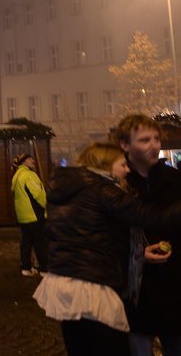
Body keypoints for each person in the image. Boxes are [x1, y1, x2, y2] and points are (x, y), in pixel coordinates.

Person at [33, 142, 179, 355]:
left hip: (66, 285)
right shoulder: (103, 189)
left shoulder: (71, 188)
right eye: (122, 164)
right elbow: (149, 215)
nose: (127, 170)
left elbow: (92, 238)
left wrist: (138, 254)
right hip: (94, 288)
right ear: (105, 166)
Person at [115, 114, 181, 356]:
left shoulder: (174, 179)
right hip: (136, 290)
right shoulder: (117, 184)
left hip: (174, 284)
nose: (154, 145)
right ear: (125, 145)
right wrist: (137, 254)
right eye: (144, 140)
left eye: (156, 138)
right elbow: (108, 235)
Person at [12, 152, 48, 276]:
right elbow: (38, 195)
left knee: (26, 242)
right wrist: (48, 206)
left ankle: (26, 268)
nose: (33, 160)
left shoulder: (17, 175)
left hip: (23, 216)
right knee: (40, 242)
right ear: (24, 162)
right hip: (34, 214)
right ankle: (44, 269)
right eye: (29, 158)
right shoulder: (29, 175)